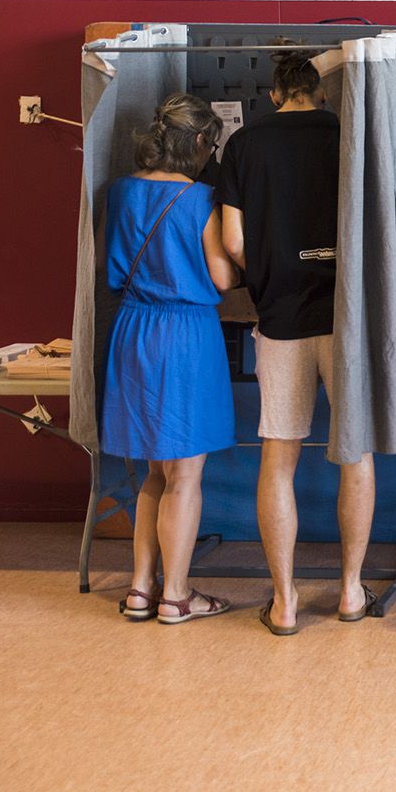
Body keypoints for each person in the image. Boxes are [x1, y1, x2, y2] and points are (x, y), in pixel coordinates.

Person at [218, 47, 374, 636]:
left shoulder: (245, 144)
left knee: (277, 459)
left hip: (280, 318)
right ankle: (351, 592)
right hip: (346, 318)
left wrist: (267, 268)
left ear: (276, 94)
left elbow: (233, 242)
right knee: (353, 455)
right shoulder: (350, 134)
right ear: (323, 92)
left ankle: (284, 602)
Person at [103, 94, 238, 624]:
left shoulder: (120, 190)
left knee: (155, 474)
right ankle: (177, 596)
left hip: (133, 328)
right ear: (202, 143)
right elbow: (223, 278)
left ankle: (141, 589)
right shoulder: (201, 199)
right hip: (184, 335)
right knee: (185, 475)